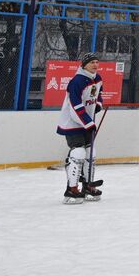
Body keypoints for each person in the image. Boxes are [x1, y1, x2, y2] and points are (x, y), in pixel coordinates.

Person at [56, 53, 104, 204]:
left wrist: (98, 106)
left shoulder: (97, 79)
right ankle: (72, 189)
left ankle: (88, 185)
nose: (95, 65)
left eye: (97, 62)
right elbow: (75, 107)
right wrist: (88, 123)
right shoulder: (77, 81)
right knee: (78, 152)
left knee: (91, 153)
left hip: (86, 122)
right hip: (73, 123)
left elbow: (98, 95)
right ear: (84, 65)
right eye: (92, 63)